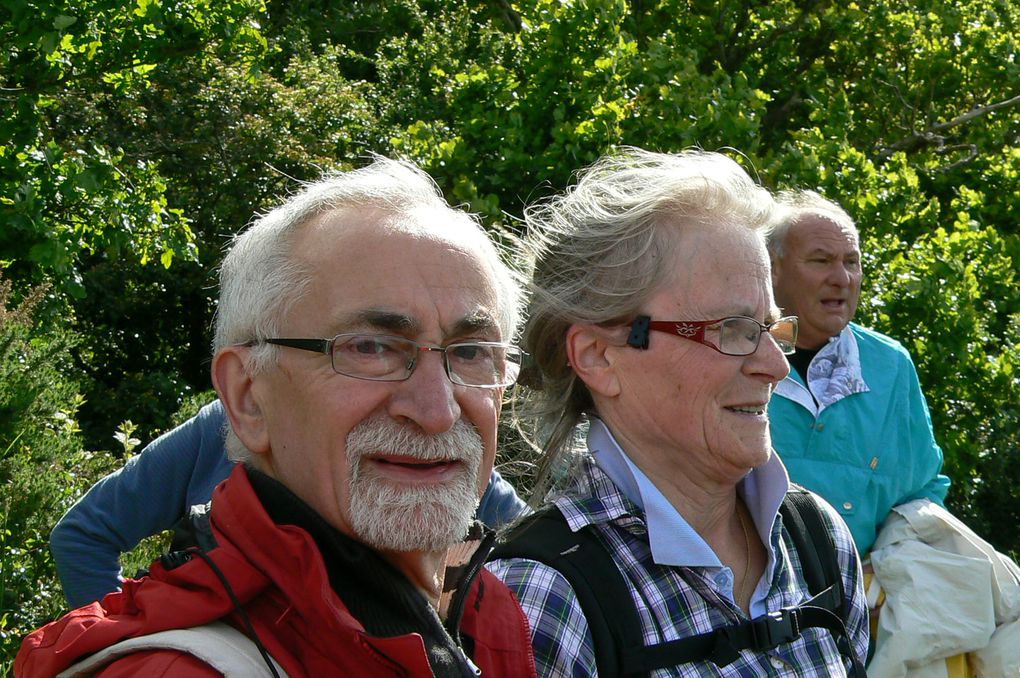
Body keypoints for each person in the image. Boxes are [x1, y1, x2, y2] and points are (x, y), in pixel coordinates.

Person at [17, 156, 537, 677]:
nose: (437, 411)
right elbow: (86, 531)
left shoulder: (493, 625)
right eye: (371, 347)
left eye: (471, 352)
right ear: (247, 397)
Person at [487, 148, 869, 676]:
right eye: (731, 329)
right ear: (599, 357)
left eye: (770, 327)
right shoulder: (547, 601)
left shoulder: (816, 539)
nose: (775, 366)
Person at [50, 398, 528, 608]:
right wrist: (140, 646)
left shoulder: (428, 443)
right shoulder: (224, 427)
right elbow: (84, 536)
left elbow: (530, 556)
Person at [765, 189, 950, 556]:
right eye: (821, 261)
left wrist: (894, 565)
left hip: (862, 599)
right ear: (772, 267)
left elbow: (921, 493)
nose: (842, 278)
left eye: (852, 262)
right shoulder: (734, 352)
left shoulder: (889, 365)